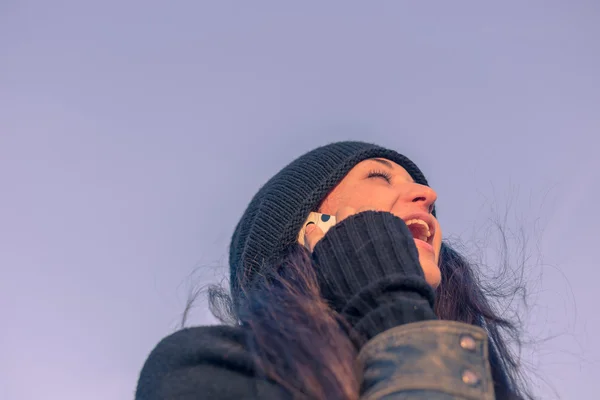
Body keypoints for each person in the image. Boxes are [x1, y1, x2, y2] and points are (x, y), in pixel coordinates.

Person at [135, 141, 531, 399]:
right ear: (308, 229)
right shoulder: (206, 368)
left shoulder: (476, 373)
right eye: (379, 176)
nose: (428, 196)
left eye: (421, 190)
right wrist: (389, 306)